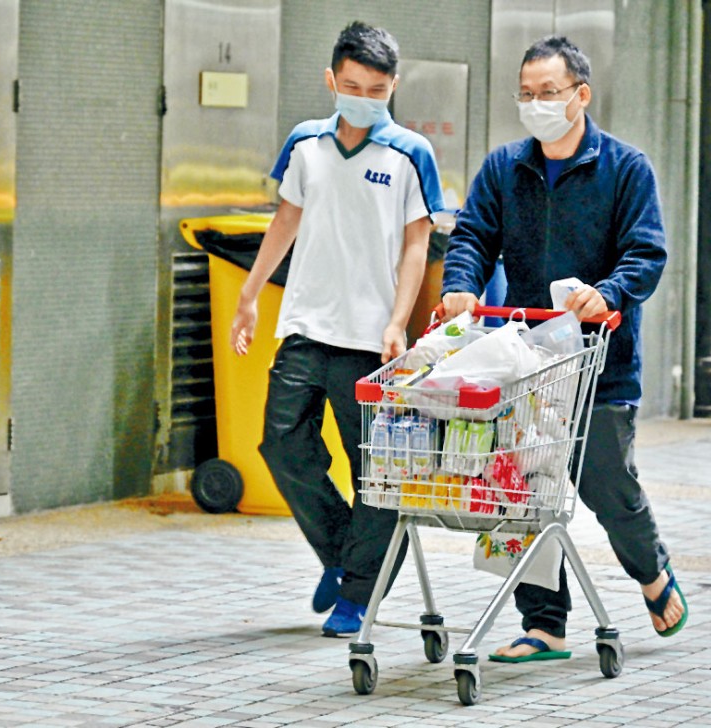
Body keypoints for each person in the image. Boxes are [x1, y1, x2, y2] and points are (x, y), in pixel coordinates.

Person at [441, 35, 686, 663]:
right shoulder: (505, 168)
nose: (535, 104)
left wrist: (611, 292)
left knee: (607, 484)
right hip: (529, 363)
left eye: (548, 93)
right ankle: (544, 625)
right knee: (521, 490)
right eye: (526, 94)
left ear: (581, 95)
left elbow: (646, 253)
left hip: (601, 362)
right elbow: (472, 235)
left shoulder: (625, 169)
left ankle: (652, 573)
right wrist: (461, 288)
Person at [230, 21, 445, 636]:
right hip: (304, 326)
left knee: (372, 469)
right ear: (331, 79)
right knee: (281, 446)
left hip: (371, 342)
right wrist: (249, 296)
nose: (362, 97)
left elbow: (416, 245)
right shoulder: (305, 144)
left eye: (376, 88)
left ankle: (355, 594)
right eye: (351, 85)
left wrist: (399, 322)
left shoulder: (410, 153)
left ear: (393, 86)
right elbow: (286, 219)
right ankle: (345, 555)